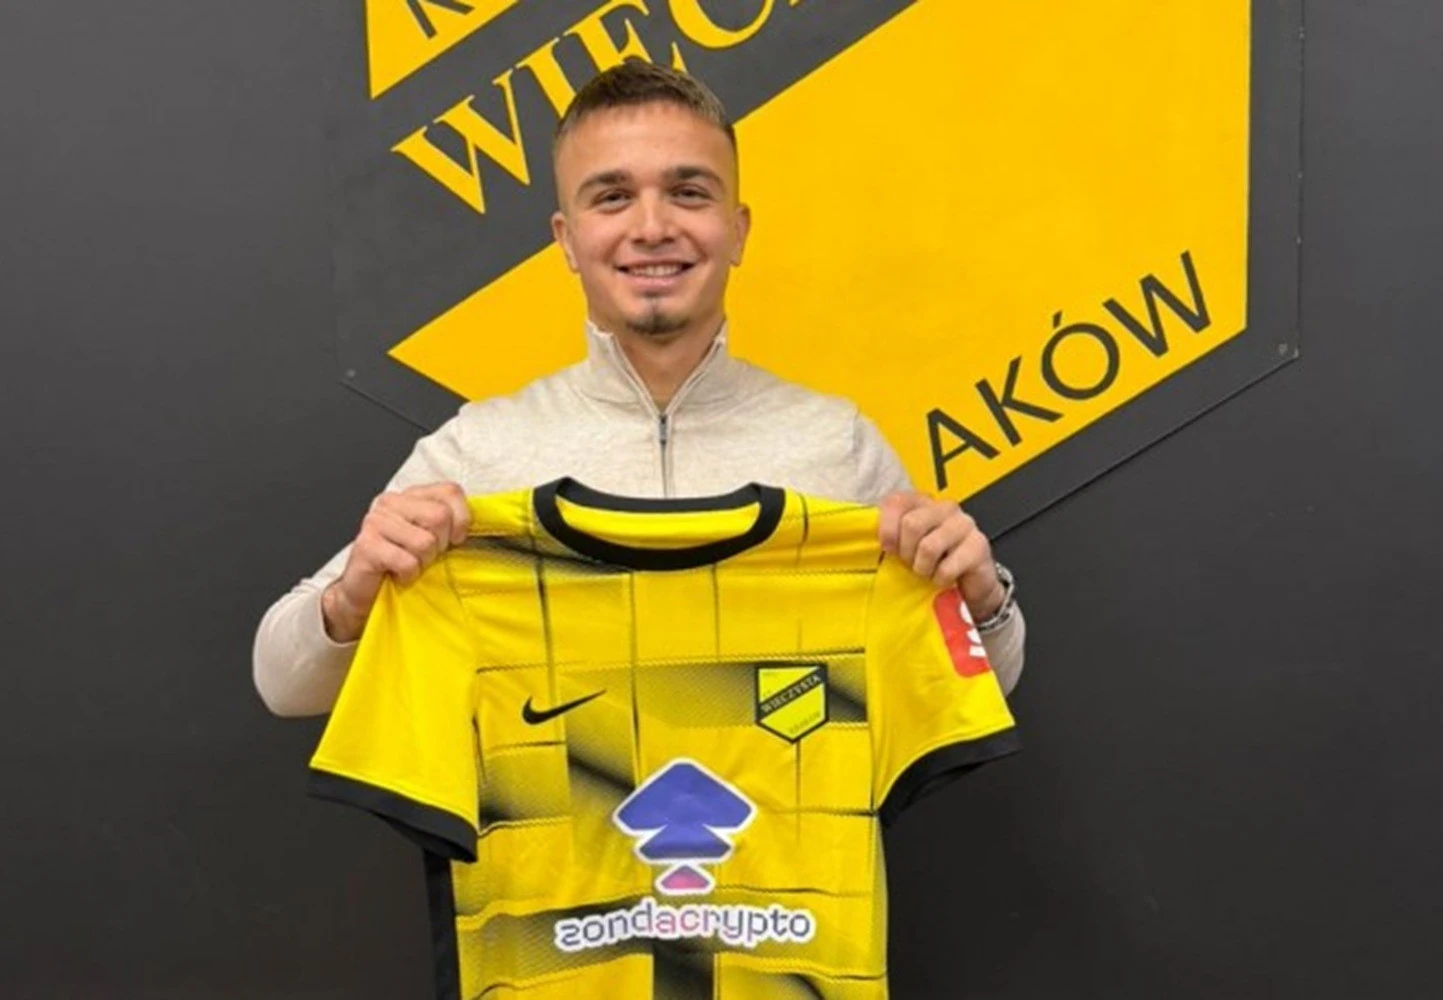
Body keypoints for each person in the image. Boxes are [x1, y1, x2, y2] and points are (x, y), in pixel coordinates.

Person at [252, 59, 1025, 718]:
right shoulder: (479, 451)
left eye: (688, 192)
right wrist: (350, 598)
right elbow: (283, 684)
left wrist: (984, 602)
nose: (652, 227)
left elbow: (976, 687)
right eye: (612, 197)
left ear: (738, 229)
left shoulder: (837, 446)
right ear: (566, 240)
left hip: (795, 856)